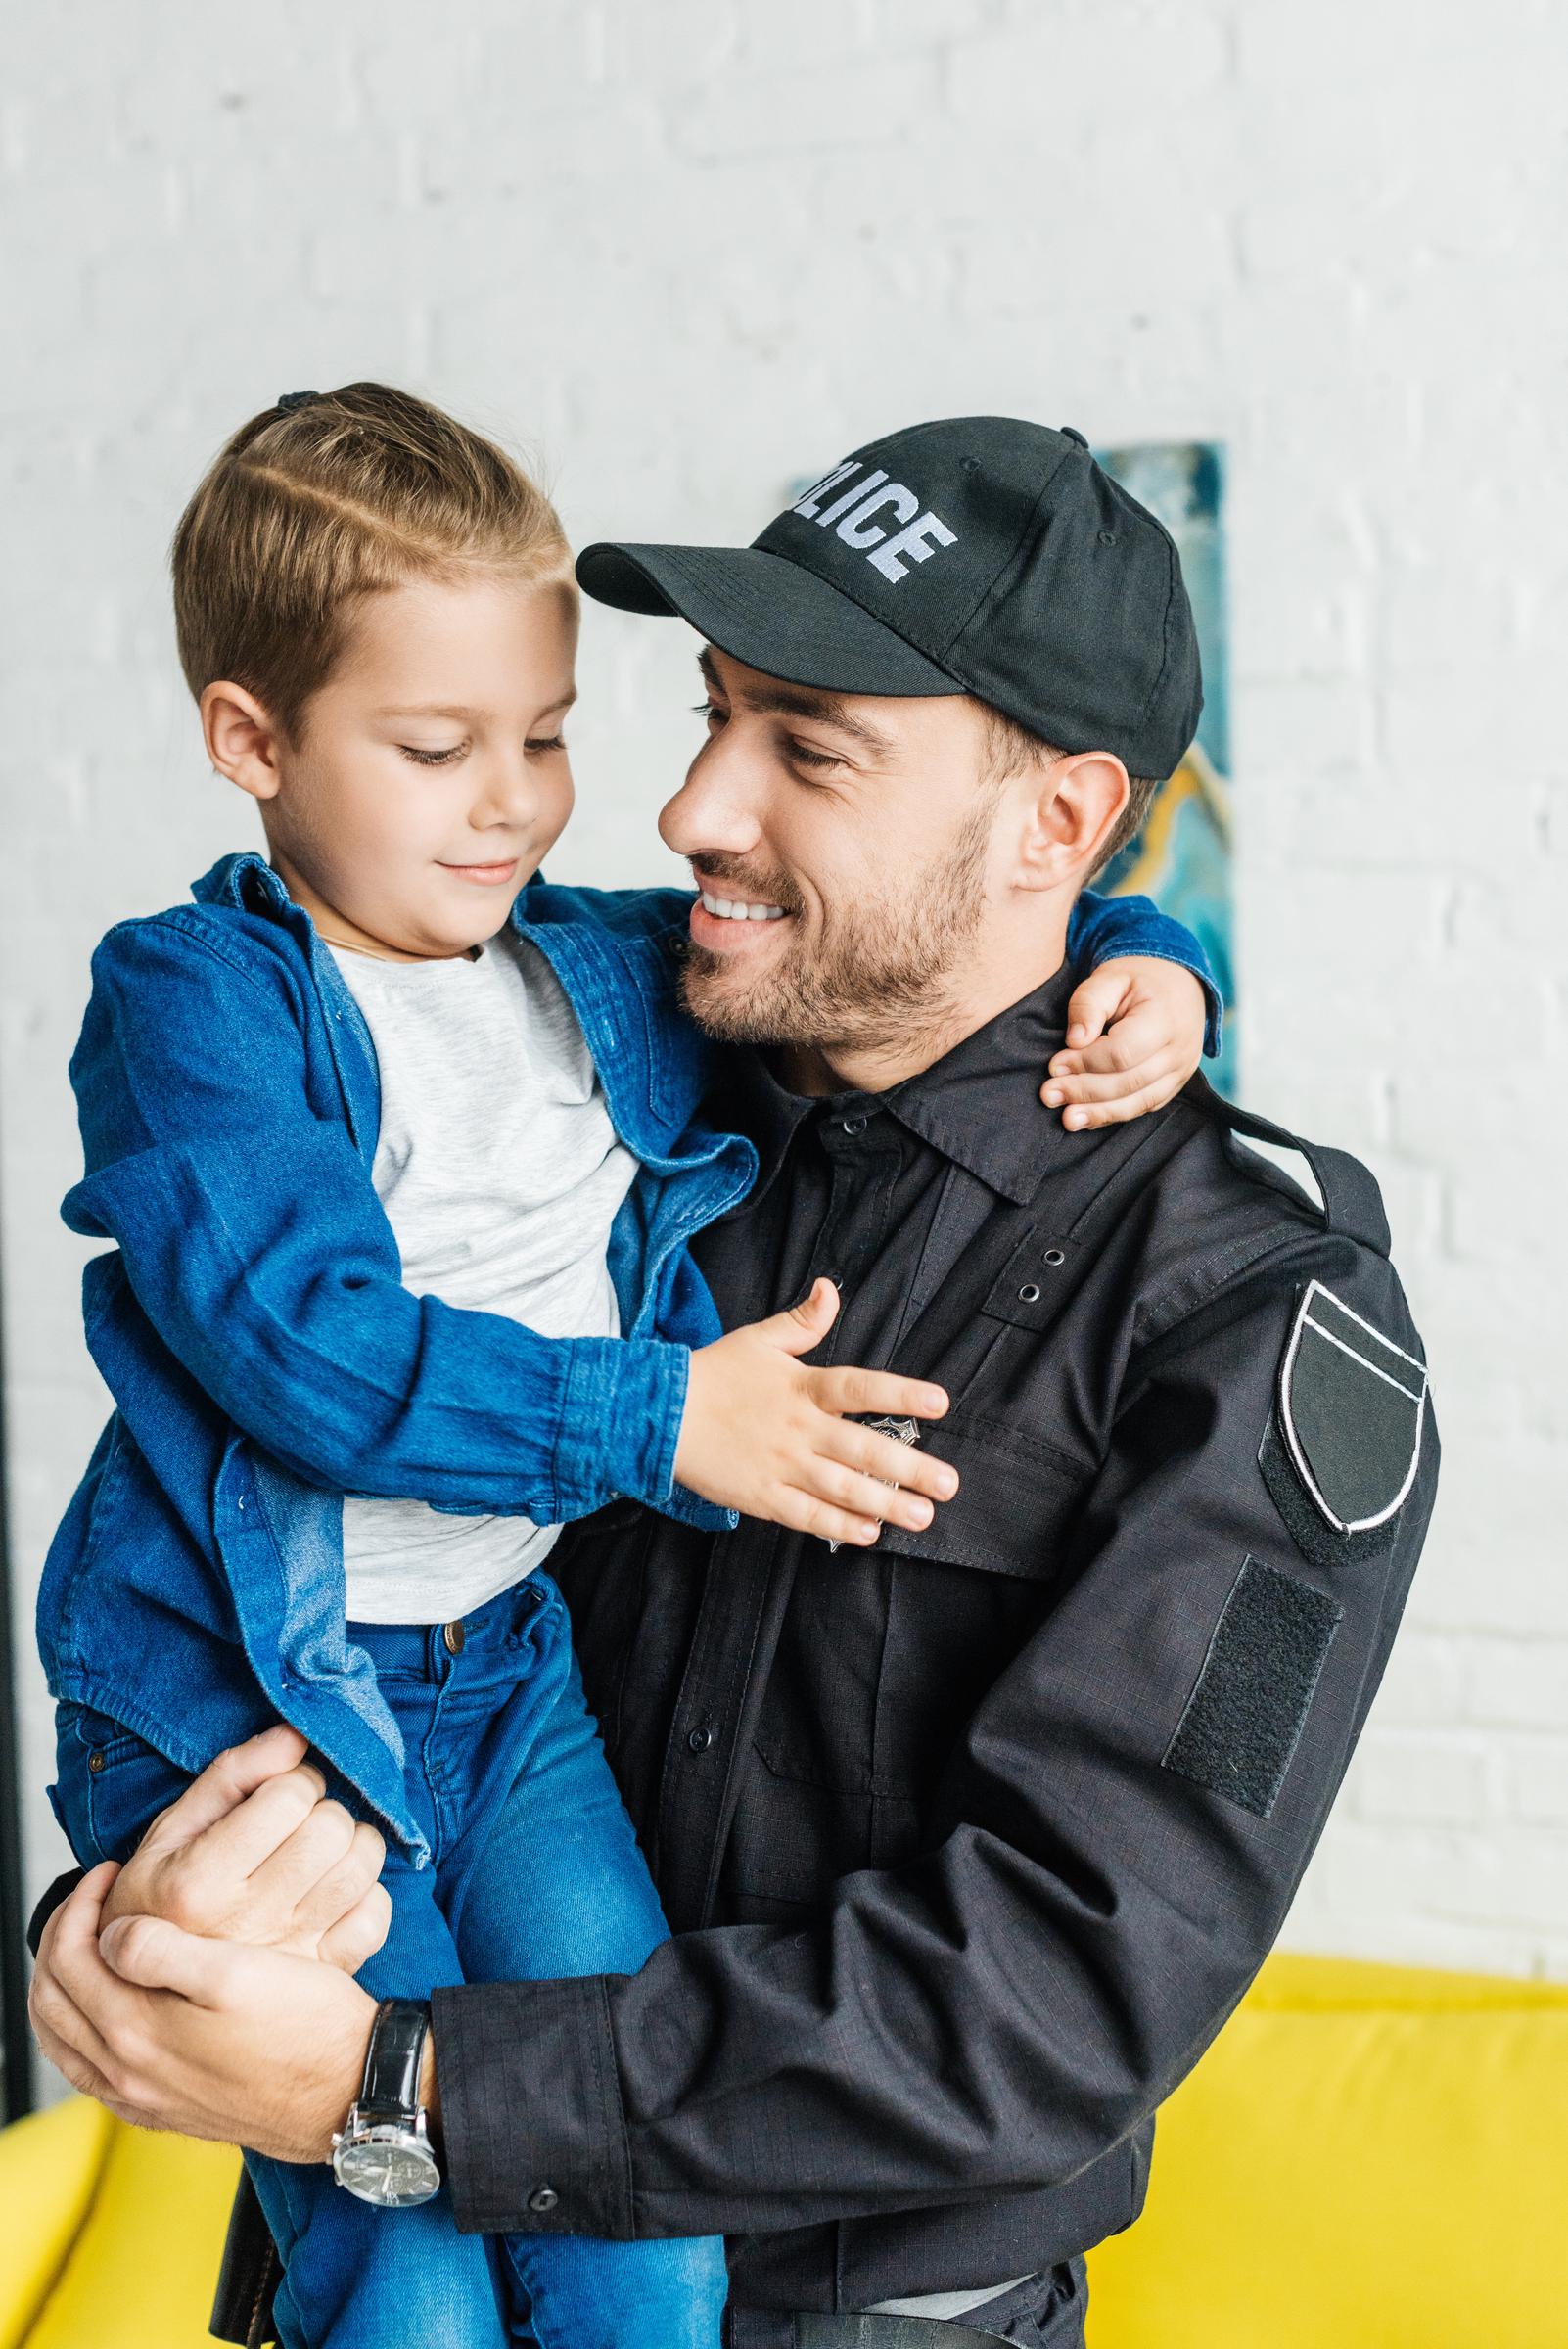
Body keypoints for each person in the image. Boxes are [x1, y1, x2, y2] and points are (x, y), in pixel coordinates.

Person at [27, 393, 1219, 2349]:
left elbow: (1059, 1989)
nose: (555, 807)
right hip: (289, 1705)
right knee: (404, 2293)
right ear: (251, 741)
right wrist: (82, 1939)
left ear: (1061, 816)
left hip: (516, 1723)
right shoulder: (240, 1000)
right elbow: (301, 1351)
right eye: (439, 748)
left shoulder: (588, 984)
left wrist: (1156, 950)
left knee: (634, 2265)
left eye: (550, 737)